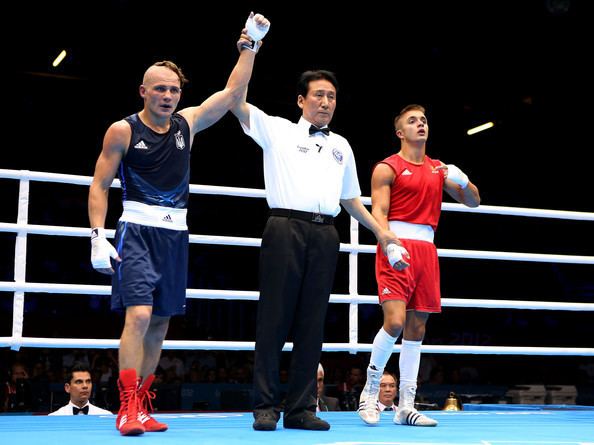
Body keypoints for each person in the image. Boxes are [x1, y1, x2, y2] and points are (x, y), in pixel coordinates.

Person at [88, 12, 270, 436]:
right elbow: (99, 186)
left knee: (160, 321)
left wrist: (250, 46)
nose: (168, 95)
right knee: (138, 315)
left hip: (175, 233)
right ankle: (126, 406)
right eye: (161, 89)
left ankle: (142, 404)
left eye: (174, 89)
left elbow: (230, 94)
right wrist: (97, 234)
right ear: (143, 92)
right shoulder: (122, 130)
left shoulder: (186, 124)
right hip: (136, 230)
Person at [231, 69, 398, 431]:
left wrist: (381, 233)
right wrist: (251, 49)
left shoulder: (342, 146)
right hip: (284, 228)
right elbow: (234, 99)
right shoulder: (277, 129)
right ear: (301, 100)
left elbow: (351, 199)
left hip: (326, 234)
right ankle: (265, 406)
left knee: (312, 322)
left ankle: (301, 408)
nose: (326, 102)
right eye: (319, 95)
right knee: (274, 319)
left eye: (332, 97)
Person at [358, 104, 480, 427]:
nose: (420, 124)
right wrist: (388, 242)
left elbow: (474, 201)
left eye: (424, 119)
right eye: (412, 121)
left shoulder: (439, 169)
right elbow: (379, 211)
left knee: (417, 329)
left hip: (427, 249)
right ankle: (369, 393)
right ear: (400, 132)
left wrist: (463, 180)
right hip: (396, 245)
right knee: (395, 321)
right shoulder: (388, 167)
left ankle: (405, 406)